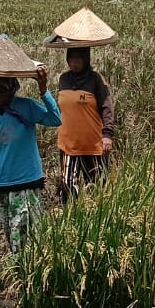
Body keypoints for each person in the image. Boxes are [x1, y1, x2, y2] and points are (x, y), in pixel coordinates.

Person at [0, 65, 61, 254]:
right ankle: (21, 269)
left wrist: (43, 90)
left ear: (12, 89)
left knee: (30, 241)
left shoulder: (27, 107)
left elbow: (55, 119)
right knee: (12, 238)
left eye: (1, 90)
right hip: (3, 187)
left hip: (26, 185)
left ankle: (28, 270)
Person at [57, 46, 114, 201]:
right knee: (67, 185)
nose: (74, 62)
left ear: (86, 59)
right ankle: (71, 214)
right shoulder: (63, 79)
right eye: (72, 58)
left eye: (79, 59)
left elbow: (107, 107)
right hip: (68, 143)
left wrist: (107, 135)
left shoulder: (95, 80)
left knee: (98, 189)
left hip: (93, 144)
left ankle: (96, 215)